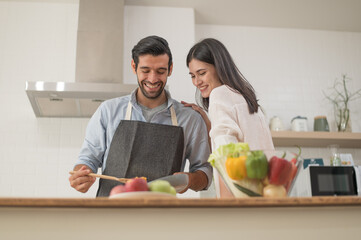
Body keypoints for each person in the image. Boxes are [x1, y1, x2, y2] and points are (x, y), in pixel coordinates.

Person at [69, 36, 212, 197]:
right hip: (109, 215)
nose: (152, 79)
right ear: (133, 66)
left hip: (161, 217)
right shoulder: (108, 110)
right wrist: (81, 175)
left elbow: (205, 171)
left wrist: (190, 179)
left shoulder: (190, 119)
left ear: (170, 69)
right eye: (145, 70)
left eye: (160, 71)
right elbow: (88, 160)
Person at [183, 38, 274, 197]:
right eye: (192, 75)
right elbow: (241, 145)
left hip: (242, 199)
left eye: (202, 73)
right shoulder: (246, 98)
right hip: (267, 192)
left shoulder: (218, 95)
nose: (197, 82)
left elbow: (227, 159)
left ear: (219, 67)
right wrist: (208, 123)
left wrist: (226, 205)